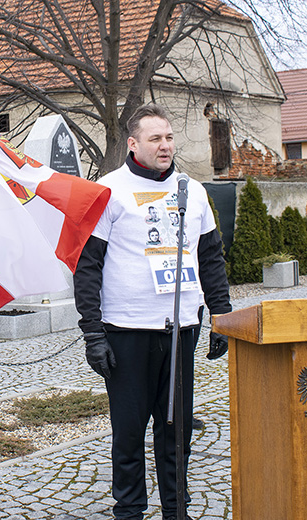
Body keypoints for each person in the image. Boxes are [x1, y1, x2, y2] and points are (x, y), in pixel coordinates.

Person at [73, 103, 231, 520]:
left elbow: (211, 258)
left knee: (175, 430)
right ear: (133, 143)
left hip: (181, 329)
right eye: (155, 138)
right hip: (127, 330)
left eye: (169, 137)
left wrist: (222, 317)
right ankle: (129, 510)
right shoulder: (108, 191)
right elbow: (87, 266)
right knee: (128, 431)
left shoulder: (192, 191)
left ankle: (176, 509)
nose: (165, 146)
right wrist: (92, 333)